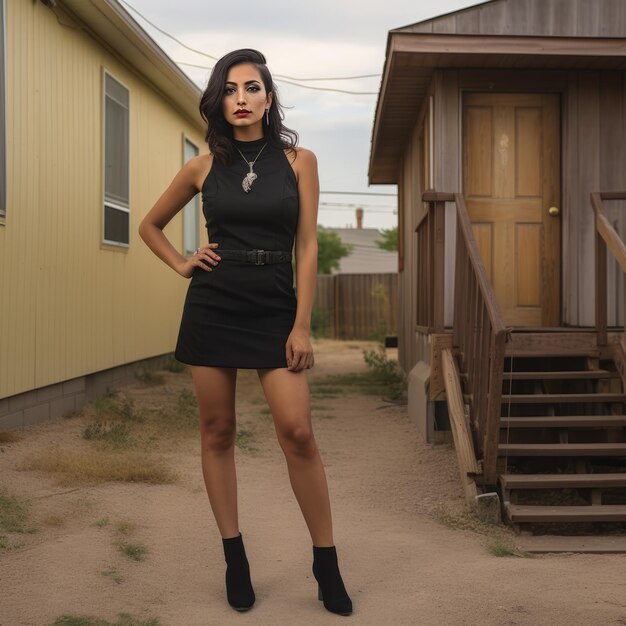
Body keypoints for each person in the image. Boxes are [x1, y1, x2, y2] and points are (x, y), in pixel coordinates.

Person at [138, 48, 352, 616]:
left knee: (298, 431)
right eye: (230, 90)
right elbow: (149, 225)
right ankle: (235, 558)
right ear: (219, 101)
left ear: (268, 96)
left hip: (276, 303)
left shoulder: (298, 161)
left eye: (251, 88)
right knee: (217, 430)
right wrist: (184, 262)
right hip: (215, 301)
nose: (241, 99)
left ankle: (325, 562)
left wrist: (302, 323)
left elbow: (306, 245)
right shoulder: (203, 167)